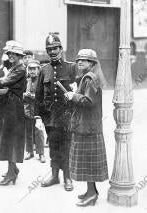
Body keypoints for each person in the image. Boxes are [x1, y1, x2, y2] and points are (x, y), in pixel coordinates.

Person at [64, 49, 108, 206]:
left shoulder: (90, 79)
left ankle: (92, 194)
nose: (80, 62)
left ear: (92, 63)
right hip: (88, 126)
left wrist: (73, 96)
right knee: (88, 162)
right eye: (78, 60)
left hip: (88, 128)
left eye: (84, 60)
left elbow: (89, 102)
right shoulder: (88, 78)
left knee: (88, 163)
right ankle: (92, 191)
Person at [36, 33, 77, 191]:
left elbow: (76, 92)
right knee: (53, 145)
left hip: (66, 116)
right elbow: (39, 95)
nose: (52, 52)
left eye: (55, 48)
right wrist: (39, 117)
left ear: (61, 48)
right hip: (50, 116)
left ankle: (67, 176)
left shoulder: (71, 67)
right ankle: (54, 175)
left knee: (66, 146)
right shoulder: (44, 70)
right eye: (49, 49)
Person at [0, 41, 27, 186]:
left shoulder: (20, 69)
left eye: (14, 54)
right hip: (8, 104)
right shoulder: (15, 67)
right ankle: (13, 169)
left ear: (19, 55)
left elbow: (5, 82)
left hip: (13, 106)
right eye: (9, 53)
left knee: (10, 138)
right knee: (7, 136)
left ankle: (10, 174)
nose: (11, 56)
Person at [23, 59, 46, 163]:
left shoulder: (42, 81)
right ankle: (29, 151)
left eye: (34, 69)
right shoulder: (26, 81)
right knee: (28, 131)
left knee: (39, 131)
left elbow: (44, 96)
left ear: (39, 69)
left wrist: (33, 96)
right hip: (27, 109)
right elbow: (20, 93)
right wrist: (24, 95)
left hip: (38, 110)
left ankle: (41, 153)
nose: (32, 71)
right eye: (30, 69)